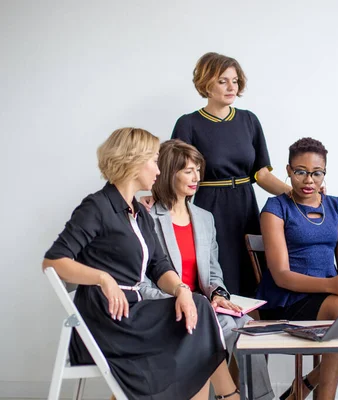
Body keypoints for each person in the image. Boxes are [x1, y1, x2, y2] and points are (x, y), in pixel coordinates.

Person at [42, 128, 239, 400]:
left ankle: (226, 396)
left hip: (134, 312)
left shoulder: (138, 212)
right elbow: (53, 261)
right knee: (200, 316)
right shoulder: (96, 207)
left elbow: (159, 265)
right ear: (133, 162)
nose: (159, 171)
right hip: (108, 320)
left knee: (197, 307)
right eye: (155, 161)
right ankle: (231, 396)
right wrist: (103, 279)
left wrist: (181, 290)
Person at [142, 52, 291, 297]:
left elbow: (261, 175)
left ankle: (252, 329)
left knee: (254, 273)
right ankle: (219, 327)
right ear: (206, 83)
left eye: (235, 80)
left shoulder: (249, 121)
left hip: (245, 206)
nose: (231, 86)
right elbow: (174, 171)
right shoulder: (188, 123)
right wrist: (156, 198)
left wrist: (299, 195)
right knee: (217, 273)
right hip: (208, 207)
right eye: (223, 81)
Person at [139, 139, 274, 400]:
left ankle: (259, 398)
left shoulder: (204, 218)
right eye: (188, 171)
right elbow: (142, 282)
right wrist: (181, 299)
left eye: (198, 170)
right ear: (168, 173)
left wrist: (218, 295)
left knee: (250, 331)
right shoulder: (146, 216)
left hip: (204, 307)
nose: (196, 177)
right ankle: (228, 395)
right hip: (168, 308)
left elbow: (213, 272)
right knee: (209, 331)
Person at [256, 137, 338, 400]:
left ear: (324, 173)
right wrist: (333, 286)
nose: (309, 180)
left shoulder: (337, 207)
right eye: (300, 172)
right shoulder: (276, 208)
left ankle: (304, 385)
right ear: (288, 170)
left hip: (332, 294)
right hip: (287, 297)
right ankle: (324, 397)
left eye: (316, 173)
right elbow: (281, 275)